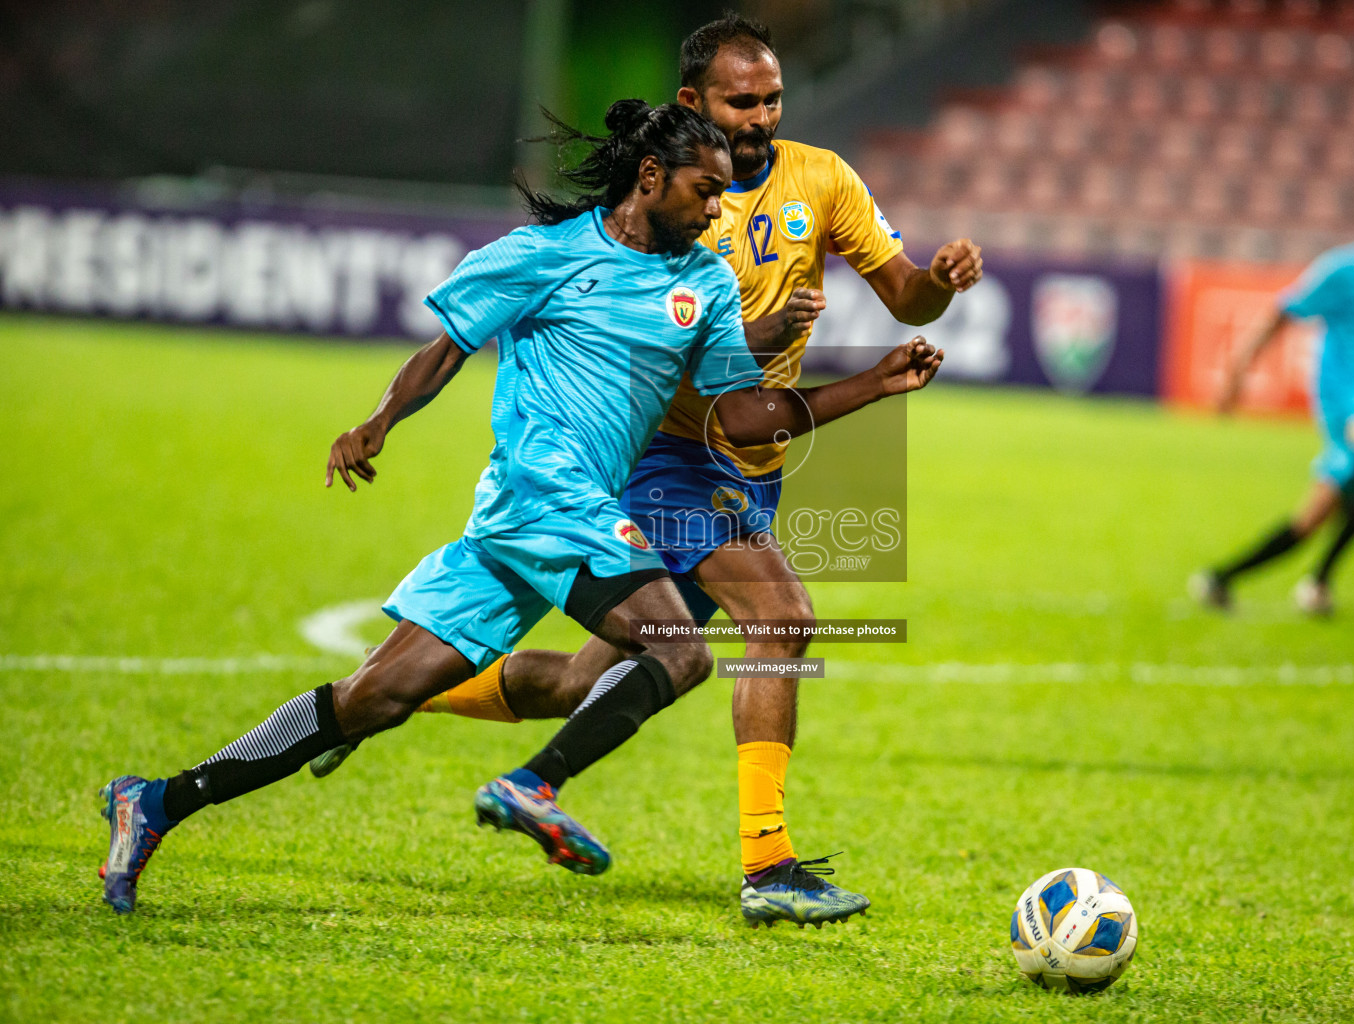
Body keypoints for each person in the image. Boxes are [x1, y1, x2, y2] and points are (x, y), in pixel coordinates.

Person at [97, 98, 945, 914]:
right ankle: (532, 784)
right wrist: (380, 420)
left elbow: (741, 417)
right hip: (545, 493)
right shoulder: (543, 255)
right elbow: (447, 347)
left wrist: (873, 385)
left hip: (530, 521)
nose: (717, 209)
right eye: (704, 190)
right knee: (678, 649)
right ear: (650, 176)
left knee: (374, 698)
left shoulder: (708, 284)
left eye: (725, 194)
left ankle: (158, 801)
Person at [310, 13, 983, 928]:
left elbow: (907, 294)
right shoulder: (682, 195)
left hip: (753, 460)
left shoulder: (822, 179)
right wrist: (774, 338)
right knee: (780, 619)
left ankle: (377, 697)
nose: (760, 117)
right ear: (692, 105)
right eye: (741, 101)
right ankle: (767, 864)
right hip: (669, 457)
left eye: (772, 98)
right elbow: (664, 333)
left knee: (584, 680)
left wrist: (941, 278)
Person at [1190, 172, 1354, 615]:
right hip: (1345, 399)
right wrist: (1237, 370)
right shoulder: (1346, 269)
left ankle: (1220, 579)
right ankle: (1318, 583)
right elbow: (1282, 312)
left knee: (1313, 517)